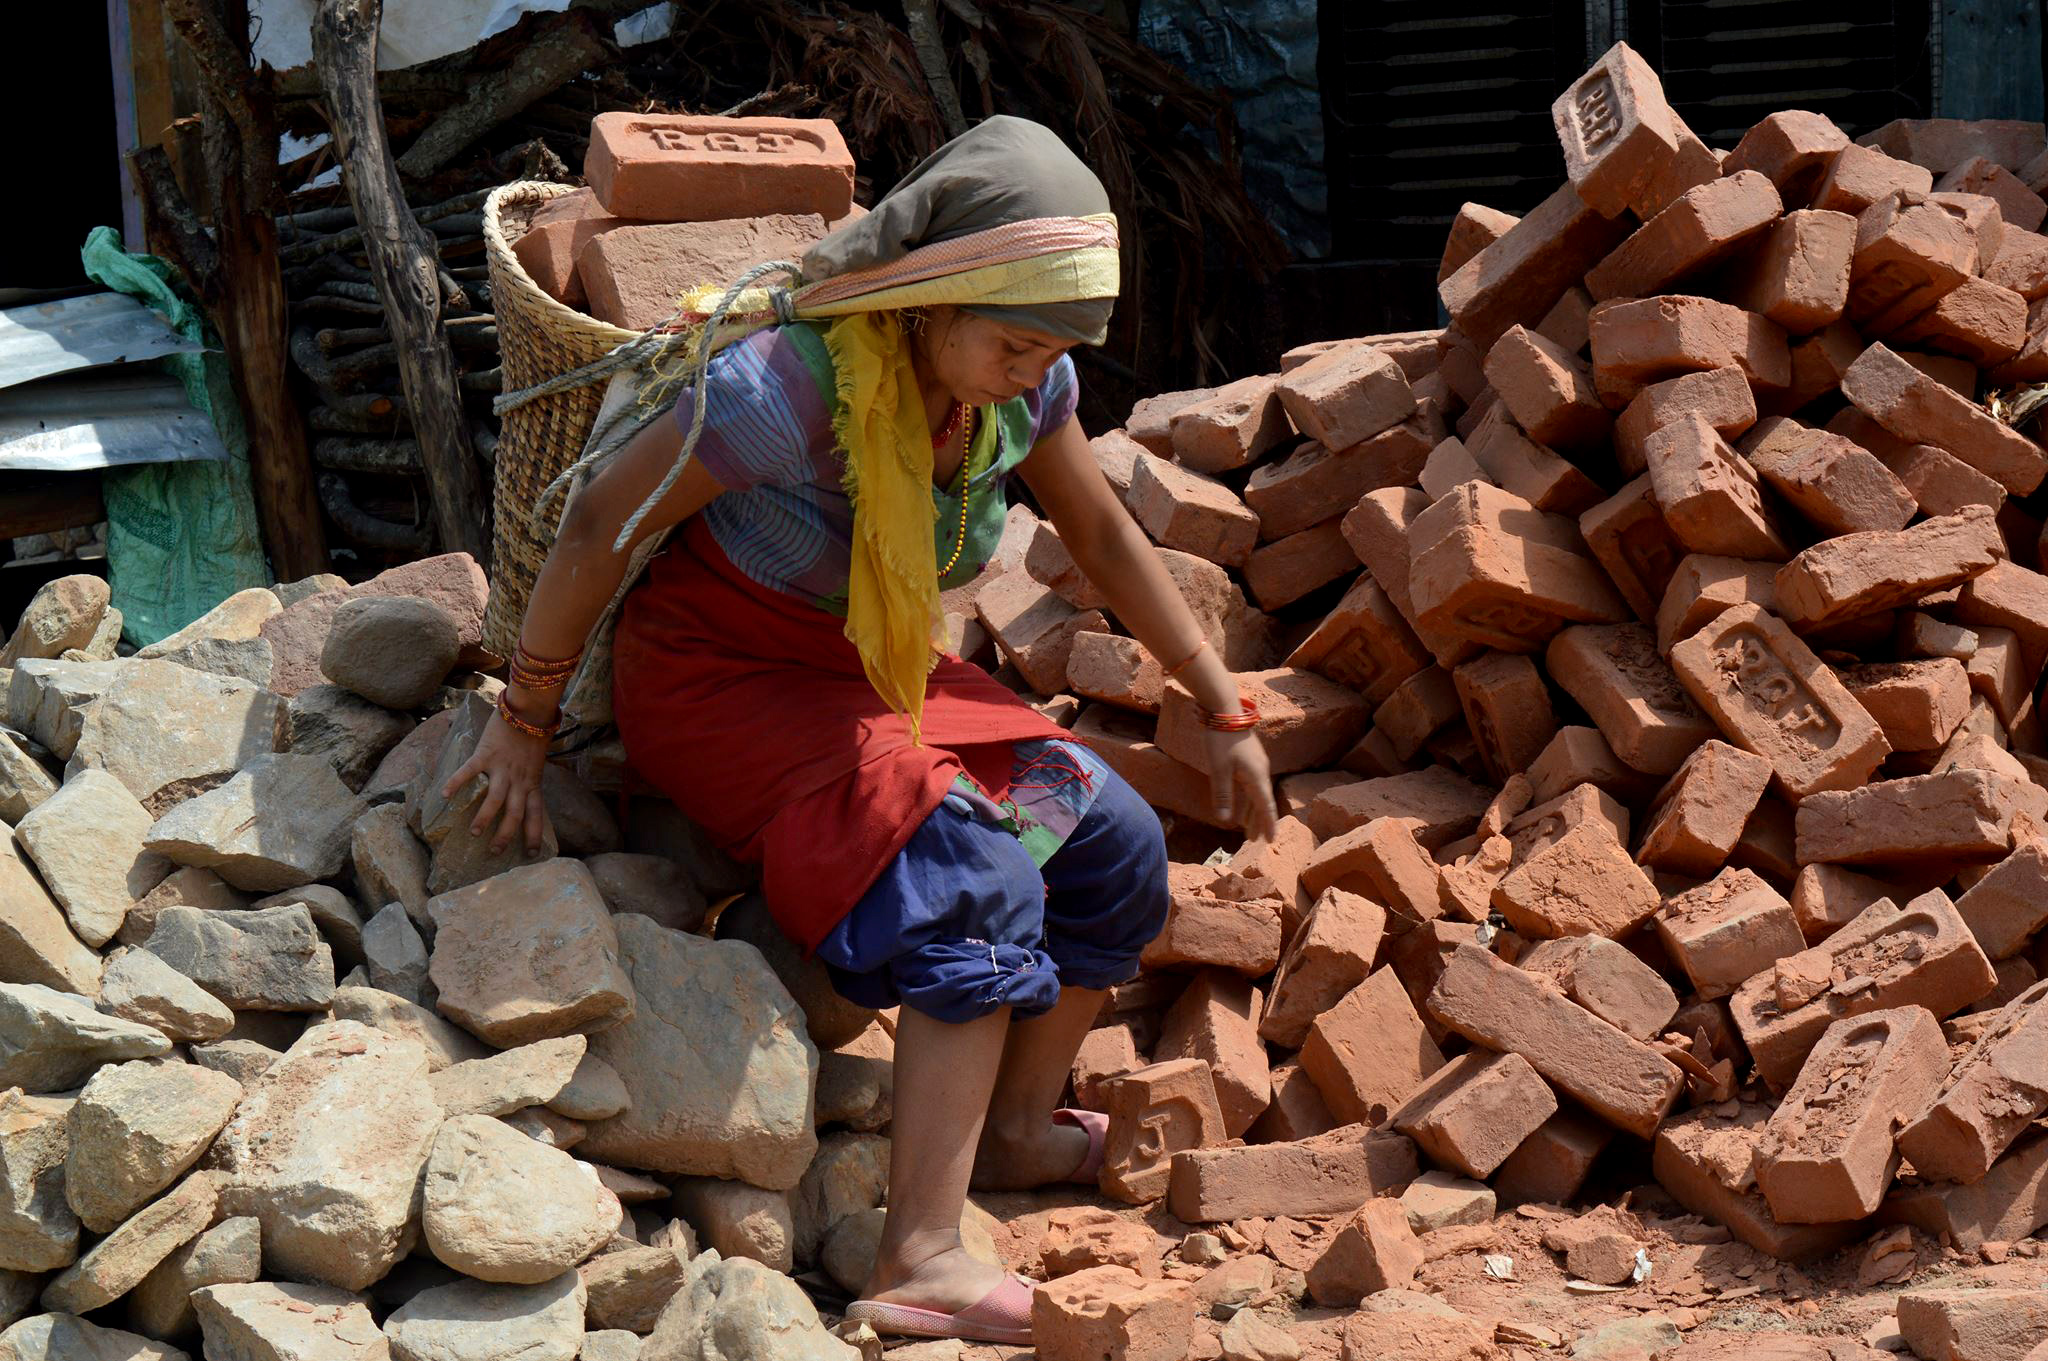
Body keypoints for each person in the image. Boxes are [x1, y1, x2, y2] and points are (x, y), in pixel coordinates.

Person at [449, 116, 1277, 1347]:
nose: (1030, 368)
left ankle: (1012, 1126)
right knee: (968, 863)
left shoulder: (1022, 384)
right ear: (933, 292)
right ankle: (920, 1252)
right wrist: (524, 719)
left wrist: (1221, 699)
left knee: (1104, 833)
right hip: (721, 672)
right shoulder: (782, 389)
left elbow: (1102, 538)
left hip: (873, 669)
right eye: (1011, 339)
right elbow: (594, 531)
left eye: (1051, 347)